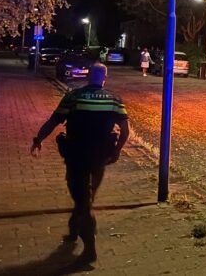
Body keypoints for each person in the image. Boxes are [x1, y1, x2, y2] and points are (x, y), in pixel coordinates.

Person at [30, 64, 129, 264]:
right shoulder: (114, 99)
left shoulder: (73, 97)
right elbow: (125, 131)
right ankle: (75, 229)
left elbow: (53, 121)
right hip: (100, 157)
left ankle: (90, 250)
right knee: (87, 197)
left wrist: (38, 139)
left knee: (84, 202)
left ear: (88, 76)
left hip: (76, 156)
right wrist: (117, 151)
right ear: (104, 78)